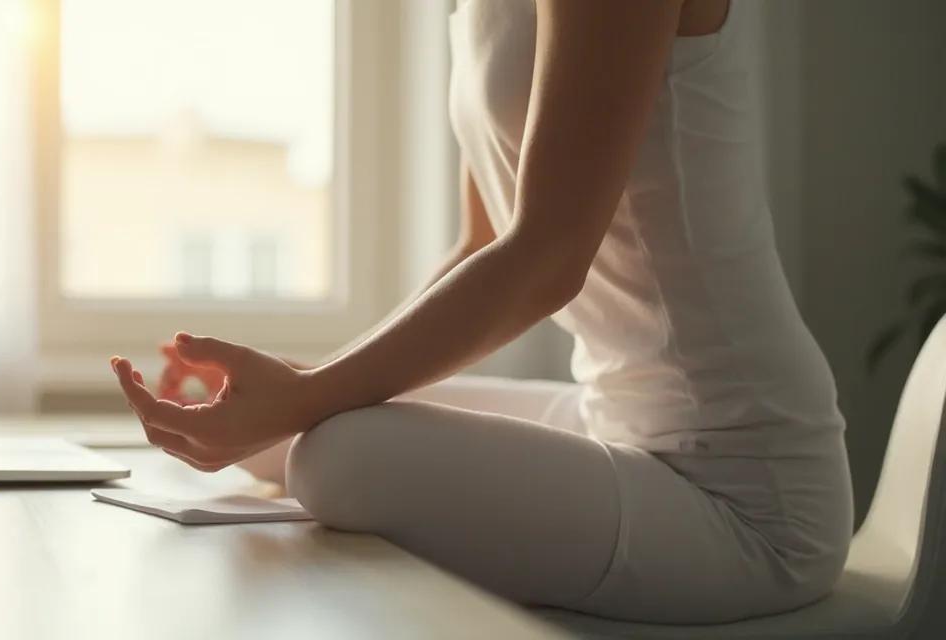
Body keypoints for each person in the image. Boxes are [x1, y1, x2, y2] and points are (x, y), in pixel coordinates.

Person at [108, 0, 853, 624]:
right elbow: (480, 245)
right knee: (281, 438)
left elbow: (546, 257)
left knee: (336, 456)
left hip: (744, 488)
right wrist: (308, 383)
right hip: (610, 414)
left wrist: (310, 393)